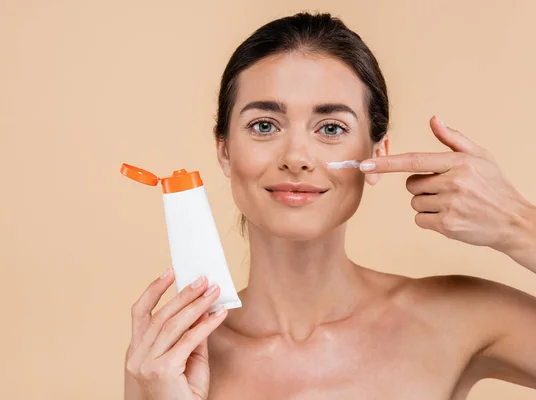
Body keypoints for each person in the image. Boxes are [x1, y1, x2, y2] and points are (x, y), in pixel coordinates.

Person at [124, 12, 536, 399]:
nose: (297, 156)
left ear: (377, 153)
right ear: (225, 152)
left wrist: (518, 225)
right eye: (264, 126)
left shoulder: (460, 319)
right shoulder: (171, 362)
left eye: (332, 128)